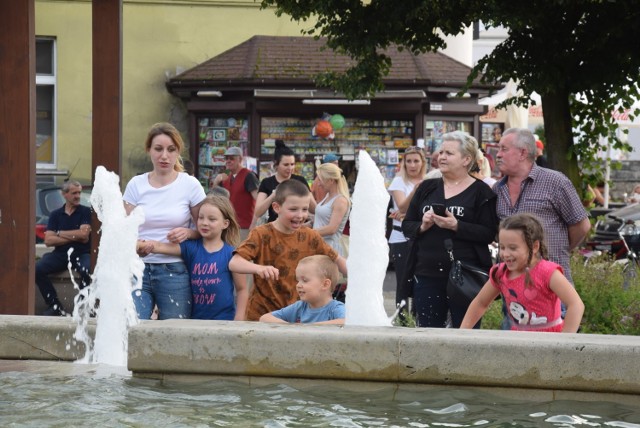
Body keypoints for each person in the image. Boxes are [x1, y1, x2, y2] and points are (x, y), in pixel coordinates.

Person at [402, 131, 498, 328]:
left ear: (466, 159)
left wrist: (457, 226)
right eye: (441, 152)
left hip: (465, 276)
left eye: (449, 153)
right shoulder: (427, 187)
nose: (441, 157)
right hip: (427, 273)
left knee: (465, 337)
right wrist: (422, 225)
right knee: (429, 335)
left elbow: (489, 233)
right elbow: (407, 225)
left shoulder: (481, 192)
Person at [229, 179, 347, 321]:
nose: (300, 215)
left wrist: (359, 281)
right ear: (277, 207)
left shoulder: (310, 236)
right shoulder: (260, 234)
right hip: (261, 317)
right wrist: (258, 268)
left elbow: (337, 259)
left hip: (295, 317)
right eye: (293, 209)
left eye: (304, 209)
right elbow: (234, 263)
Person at [123, 122, 206, 320]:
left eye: (171, 150)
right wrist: (135, 244)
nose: (164, 156)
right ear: (149, 150)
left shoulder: (190, 185)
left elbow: (206, 228)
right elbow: (122, 229)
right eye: (158, 149)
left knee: (175, 334)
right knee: (132, 331)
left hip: (175, 270)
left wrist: (188, 232)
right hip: (138, 269)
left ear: (178, 152)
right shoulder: (136, 184)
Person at [493, 128, 590, 286]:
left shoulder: (555, 182)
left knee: (561, 312)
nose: (498, 154)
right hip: (513, 286)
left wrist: (557, 251)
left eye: (504, 149)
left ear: (523, 153)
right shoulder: (498, 189)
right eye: (499, 149)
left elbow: (581, 225)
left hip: (551, 284)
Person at [461, 213, 584, 332]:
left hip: (550, 341)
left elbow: (576, 304)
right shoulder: (500, 273)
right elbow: (480, 302)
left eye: (513, 248)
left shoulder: (548, 272)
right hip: (519, 341)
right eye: (502, 247)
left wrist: (565, 342)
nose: (505, 254)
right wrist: (462, 332)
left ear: (535, 247)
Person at [137, 195, 248, 320]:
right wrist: (139, 244)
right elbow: (159, 246)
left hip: (224, 320)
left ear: (225, 224)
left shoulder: (232, 253)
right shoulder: (191, 248)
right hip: (195, 321)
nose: (205, 223)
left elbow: (242, 289)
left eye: (212, 219)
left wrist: (239, 320)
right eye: (201, 218)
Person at [36, 180, 92, 316]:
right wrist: (74, 234)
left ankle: (83, 307)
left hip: (82, 253)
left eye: (79, 192)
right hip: (61, 254)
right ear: (64, 194)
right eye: (74, 193)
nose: (78, 196)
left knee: (87, 270)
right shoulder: (56, 214)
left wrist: (60, 233)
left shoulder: (85, 212)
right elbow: (48, 240)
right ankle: (54, 306)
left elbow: (84, 235)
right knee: (38, 269)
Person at [387, 146, 427, 312]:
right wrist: (416, 191)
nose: (412, 165)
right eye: (408, 161)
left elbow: (425, 210)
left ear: (422, 163)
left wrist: (407, 214)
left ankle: (417, 319)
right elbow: (402, 206)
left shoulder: (429, 180)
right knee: (403, 282)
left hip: (421, 235)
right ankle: (401, 320)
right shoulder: (398, 181)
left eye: (416, 161)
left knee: (420, 281)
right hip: (400, 237)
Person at [259, 255, 345, 324]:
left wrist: (310, 328)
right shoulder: (300, 307)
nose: (298, 285)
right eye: (298, 280)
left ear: (325, 284)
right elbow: (264, 318)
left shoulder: (336, 308)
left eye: (305, 280)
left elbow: (345, 322)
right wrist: (291, 327)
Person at [254, 140, 315, 225]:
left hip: (296, 227)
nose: (290, 168)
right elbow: (258, 212)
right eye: (286, 165)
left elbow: (313, 209)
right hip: (274, 229)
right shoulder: (267, 182)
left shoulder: (300, 180)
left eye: (292, 164)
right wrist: (274, 195)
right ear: (276, 164)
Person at [211, 146, 259, 240]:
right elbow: (214, 199)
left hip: (245, 227)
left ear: (240, 159)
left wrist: (254, 223)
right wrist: (216, 182)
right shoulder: (226, 178)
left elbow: (259, 200)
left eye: (232, 158)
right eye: (226, 158)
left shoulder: (248, 176)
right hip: (228, 226)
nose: (228, 161)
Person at [312, 162, 351, 257]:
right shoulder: (328, 196)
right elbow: (323, 220)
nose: (319, 184)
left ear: (331, 180)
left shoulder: (340, 200)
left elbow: (332, 229)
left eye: (321, 180)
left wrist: (308, 233)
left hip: (330, 249)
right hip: (321, 246)